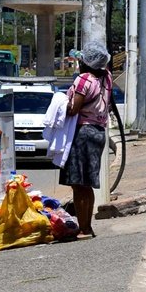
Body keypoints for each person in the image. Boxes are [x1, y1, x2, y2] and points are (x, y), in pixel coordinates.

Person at [59, 42, 114, 238]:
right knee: (86, 183)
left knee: (79, 184)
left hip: (83, 133)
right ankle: (86, 226)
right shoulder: (106, 77)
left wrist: (59, 105)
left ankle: (84, 228)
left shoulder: (84, 80)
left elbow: (74, 108)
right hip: (98, 132)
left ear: (85, 62)